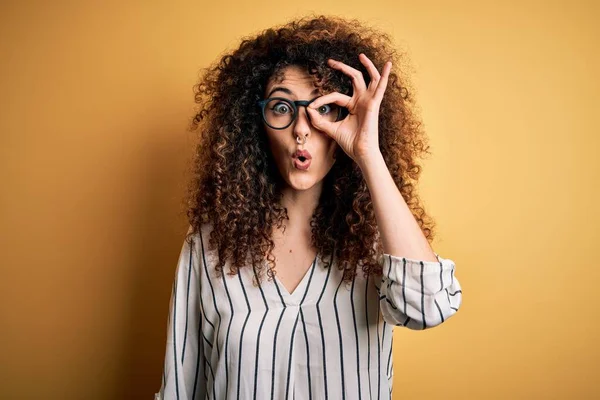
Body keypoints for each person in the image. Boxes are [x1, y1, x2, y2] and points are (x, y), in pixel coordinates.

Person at [154, 14, 462, 400]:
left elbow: (427, 307)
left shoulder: (377, 242)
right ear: (256, 124)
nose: (302, 128)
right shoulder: (208, 246)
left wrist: (368, 153)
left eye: (324, 108)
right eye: (282, 108)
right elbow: (180, 389)